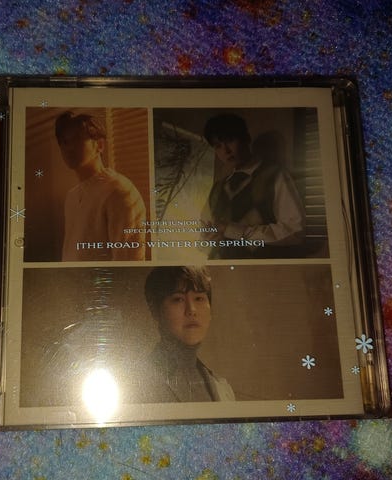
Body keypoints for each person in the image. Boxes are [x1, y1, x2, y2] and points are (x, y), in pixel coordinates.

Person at [201, 113, 305, 259]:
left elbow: (295, 230)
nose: (226, 151)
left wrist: (235, 231)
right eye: (218, 146)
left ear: (246, 138)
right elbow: (203, 235)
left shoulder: (275, 176)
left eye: (230, 140)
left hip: (261, 267)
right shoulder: (217, 189)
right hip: (220, 267)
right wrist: (209, 239)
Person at [132, 266, 235, 403]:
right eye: (178, 299)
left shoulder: (222, 387)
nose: (191, 310)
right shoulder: (137, 383)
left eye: (199, 298)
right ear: (156, 311)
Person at [55, 111, 146, 261]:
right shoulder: (72, 197)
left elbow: (129, 264)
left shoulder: (119, 191)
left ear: (100, 145)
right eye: (64, 142)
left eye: (77, 139)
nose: (68, 147)